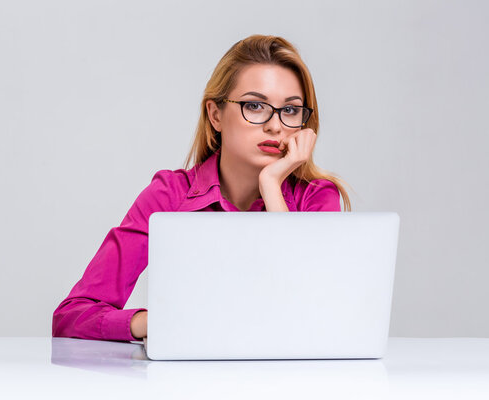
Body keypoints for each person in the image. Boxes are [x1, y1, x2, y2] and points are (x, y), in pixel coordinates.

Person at [52, 34, 352, 342]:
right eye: (255, 105)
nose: (275, 125)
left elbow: (316, 311)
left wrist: (271, 184)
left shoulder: (316, 197)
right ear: (216, 114)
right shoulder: (169, 195)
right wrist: (153, 323)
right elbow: (71, 317)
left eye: (290, 110)